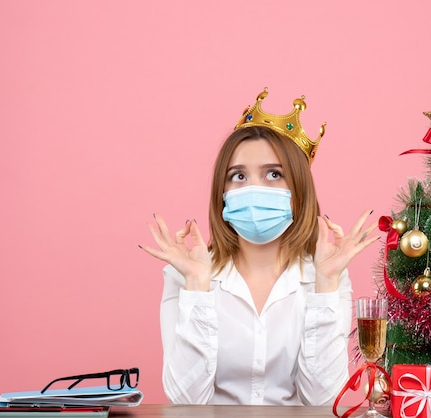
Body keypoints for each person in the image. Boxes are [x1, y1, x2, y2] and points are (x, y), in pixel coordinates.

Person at [139, 88, 379, 406]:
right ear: (221, 192)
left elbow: (322, 400)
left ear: (299, 189)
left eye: (273, 174)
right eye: (238, 176)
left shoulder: (328, 276)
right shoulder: (182, 275)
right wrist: (198, 285)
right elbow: (185, 400)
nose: (253, 187)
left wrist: (326, 285)